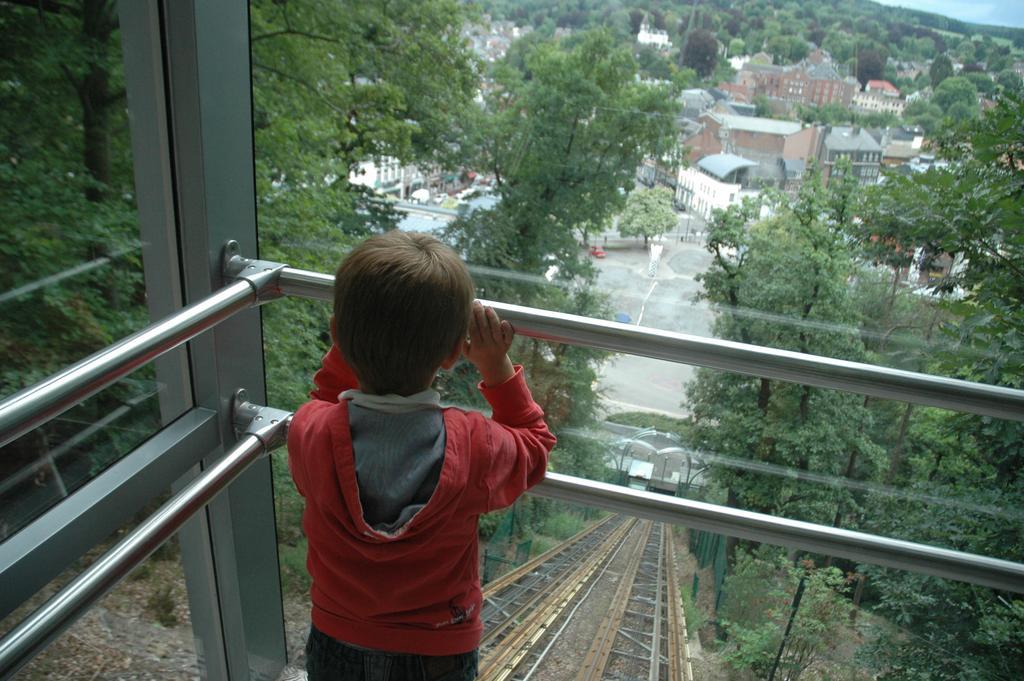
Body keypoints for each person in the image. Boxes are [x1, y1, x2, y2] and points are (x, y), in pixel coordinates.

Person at [287, 230, 556, 680]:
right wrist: (494, 365)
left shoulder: (309, 431)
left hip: (336, 639)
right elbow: (535, 443)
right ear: (454, 353)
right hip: (437, 652)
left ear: (337, 335)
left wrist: (352, 340)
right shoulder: (474, 445)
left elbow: (327, 397)